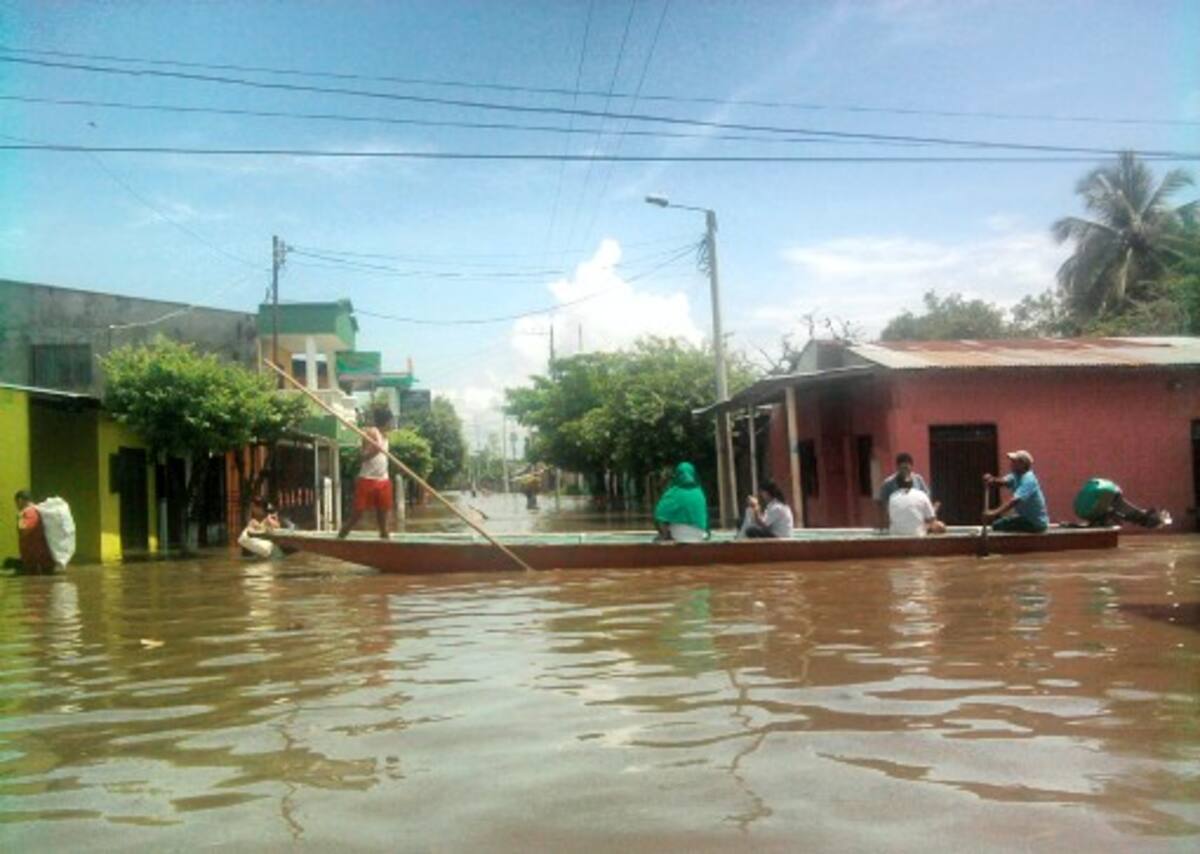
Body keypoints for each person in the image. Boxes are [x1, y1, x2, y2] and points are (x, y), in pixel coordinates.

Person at [338, 408, 394, 540]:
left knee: (383, 513)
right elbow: (362, 457)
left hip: (383, 480)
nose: (392, 424)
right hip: (367, 479)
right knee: (358, 513)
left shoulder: (386, 436)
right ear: (386, 421)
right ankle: (341, 536)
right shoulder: (371, 433)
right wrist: (373, 452)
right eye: (391, 421)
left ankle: (385, 539)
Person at [984, 450, 1049, 533]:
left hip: (1035, 523)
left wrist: (994, 513)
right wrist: (991, 479)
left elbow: (1014, 501)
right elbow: (1002, 482)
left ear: (1022, 464)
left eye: (1014, 462)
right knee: (998, 524)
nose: (1011, 464)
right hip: (1025, 518)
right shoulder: (1016, 475)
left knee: (998, 526)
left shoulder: (1029, 479)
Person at [1073, 478, 1171, 529]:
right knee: (1125, 512)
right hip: (1104, 493)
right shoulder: (1112, 501)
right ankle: (1150, 519)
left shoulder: (1113, 502)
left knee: (1125, 512)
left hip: (1096, 498)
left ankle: (1150, 518)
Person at [654, 462, 709, 543]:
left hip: (677, 535)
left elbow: (660, 514)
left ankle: (665, 536)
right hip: (699, 535)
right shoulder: (700, 493)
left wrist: (663, 533)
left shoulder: (673, 492)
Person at [878, 452, 930, 530]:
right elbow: (882, 505)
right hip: (898, 523)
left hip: (917, 523)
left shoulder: (918, 480)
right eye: (903, 468)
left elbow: (926, 500)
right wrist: (885, 523)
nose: (905, 472)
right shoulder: (888, 483)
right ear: (897, 468)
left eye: (907, 468)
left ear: (911, 467)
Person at [15, 490, 55, 574]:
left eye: (16, 502)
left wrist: (20, 518)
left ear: (20, 500)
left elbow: (25, 529)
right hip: (41, 555)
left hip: (35, 556)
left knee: (33, 583)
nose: (16, 505)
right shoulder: (37, 510)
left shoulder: (29, 512)